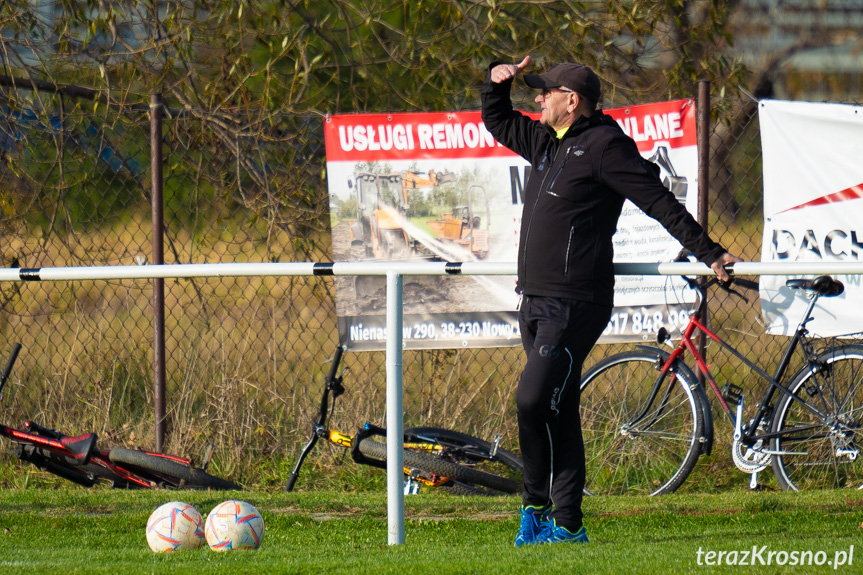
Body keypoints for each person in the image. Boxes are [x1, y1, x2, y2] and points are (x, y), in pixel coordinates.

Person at [480, 56, 742, 546]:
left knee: (532, 399)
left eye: (545, 92)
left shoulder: (605, 146)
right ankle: (564, 524)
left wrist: (708, 251)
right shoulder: (544, 141)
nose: (537, 98)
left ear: (571, 101)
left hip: (576, 303)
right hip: (534, 300)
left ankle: (537, 505)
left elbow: (658, 200)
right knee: (556, 407)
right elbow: (496, 119)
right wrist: (498, 81)